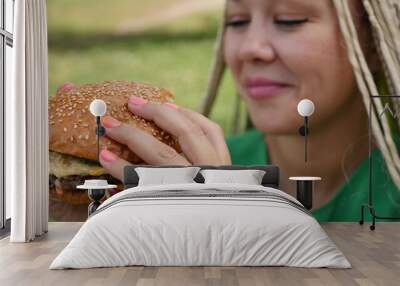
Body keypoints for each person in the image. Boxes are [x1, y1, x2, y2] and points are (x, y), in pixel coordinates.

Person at [98, 0, 400, 221]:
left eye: (289, 20)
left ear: (374, 43)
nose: (249, 49)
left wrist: (226, 222)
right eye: (237, 21)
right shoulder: (189, 173)